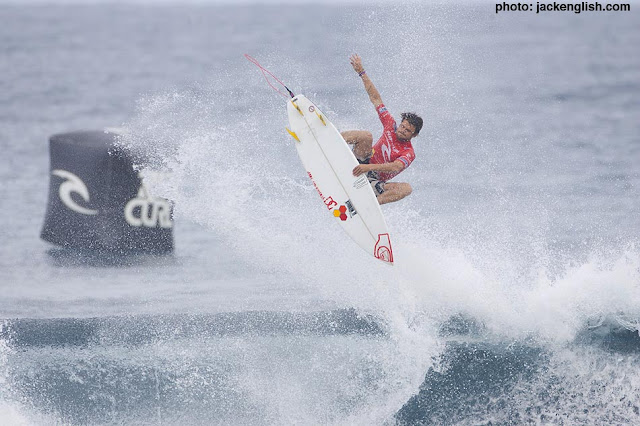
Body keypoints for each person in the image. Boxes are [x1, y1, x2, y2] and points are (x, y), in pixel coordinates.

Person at [341, 54, 423, 205]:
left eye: (407, 130)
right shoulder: (391, 126)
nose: (402, 130)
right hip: (360, 161)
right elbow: (376, 99)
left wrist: (367, 168)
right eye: (402, 126)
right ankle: (330, 141)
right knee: (366, 136)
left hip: (373, 181)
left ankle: (368, 206)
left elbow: (395, 167)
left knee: (406, 189)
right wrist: (362, 72)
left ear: (414, 135)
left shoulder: (409, 152)